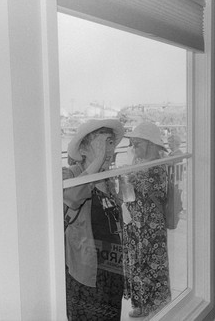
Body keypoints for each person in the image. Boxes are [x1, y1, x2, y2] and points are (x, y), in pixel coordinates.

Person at [63, 118, 126, 320]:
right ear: (83, 150)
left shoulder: (107, 178)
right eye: (101, 143)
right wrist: (97, 163)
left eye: (110, 143)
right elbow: (71, 197)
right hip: (86, 272)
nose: (108, 150)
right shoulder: (71, 174)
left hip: (112, 270)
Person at [121, 122, 172, 318]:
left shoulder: (157, 167)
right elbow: (129, 193)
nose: (134, 148)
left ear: (151, 144)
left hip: (151, 225)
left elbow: (148, 189)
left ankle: (154, 303)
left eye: (138, 144)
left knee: (152, 263)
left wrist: (127, 175)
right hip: (136, 223)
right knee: (139, 263)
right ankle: (142, 302)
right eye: (132, 144)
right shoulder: (139, 163)